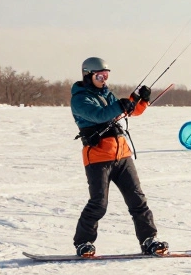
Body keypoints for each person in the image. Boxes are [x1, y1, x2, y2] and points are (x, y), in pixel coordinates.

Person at [70, 57, 167, 257]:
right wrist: (121, 106)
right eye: (99, 76)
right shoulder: (80, 99)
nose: (103, 80)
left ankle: (149, 240)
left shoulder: (107, 94)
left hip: (122, 155)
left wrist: (140, 100)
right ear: (88, 76)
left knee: (138, 201)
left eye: (106, 75)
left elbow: (127, 112)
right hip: (97, 158)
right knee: (98, 204)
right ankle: (83, 242)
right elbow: (99, 115)